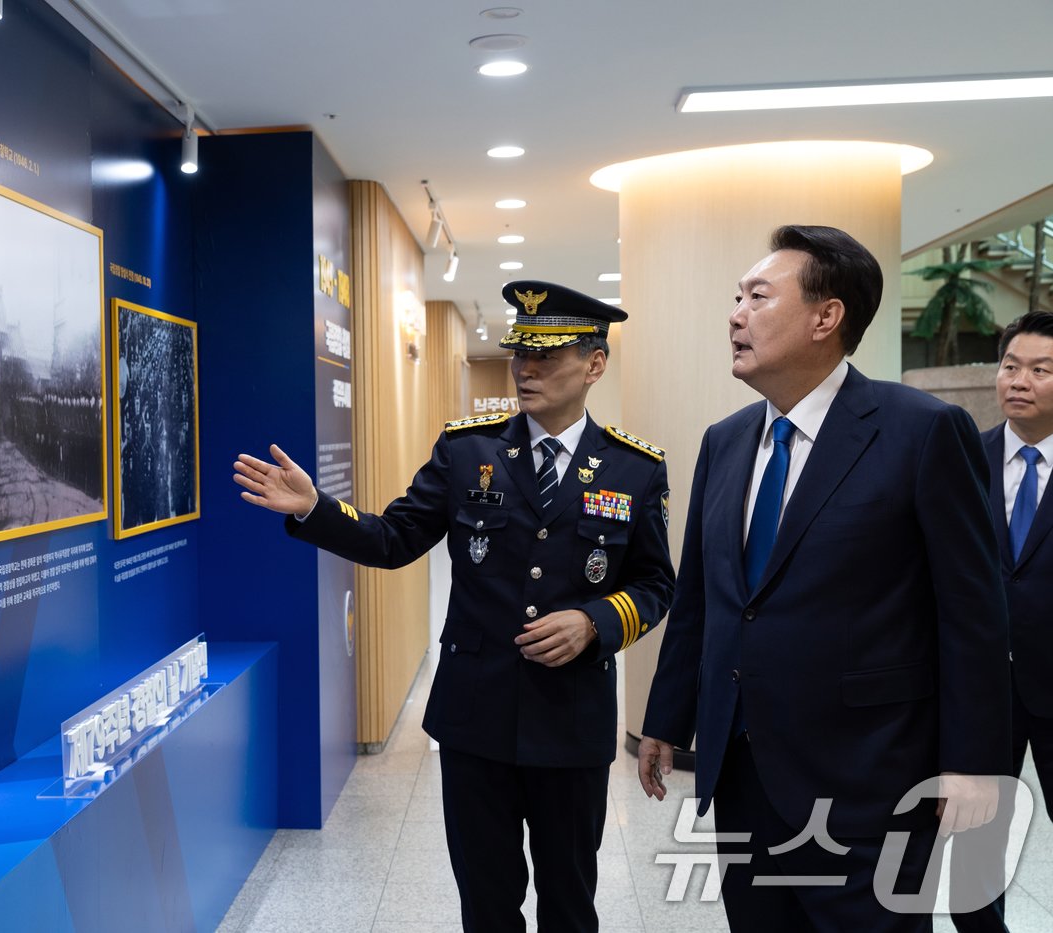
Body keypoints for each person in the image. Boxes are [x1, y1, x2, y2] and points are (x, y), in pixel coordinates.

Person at [234, 280, 675, 932]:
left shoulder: (636, 468)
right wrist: (315, 510)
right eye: (520, 353)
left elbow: (655, 583)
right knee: (486, 905)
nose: (526, 369)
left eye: (546, 356)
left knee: (570, 902)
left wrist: (595, 621)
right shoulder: (468, 448)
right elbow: (393, 538)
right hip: (476, 720)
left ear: (594, 363)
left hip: (571, 723)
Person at [637, 225, 1009, 932]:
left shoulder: (922, 430)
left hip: (871, 780)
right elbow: (702, 602)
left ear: (825, 316)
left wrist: (972, 764)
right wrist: (667, 717)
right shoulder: (726, 440)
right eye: (735, 297)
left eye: (756, 295)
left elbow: (972, 612)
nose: (735, 314)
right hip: (744, 773)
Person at [954, 310, 1053, 933]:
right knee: (971, 847)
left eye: (1040, 369)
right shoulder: (964, 458)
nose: (1018, 380)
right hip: (979, 690)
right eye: (1010, 366)